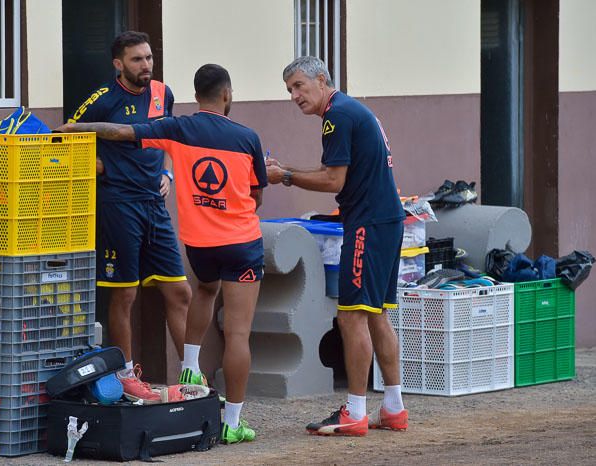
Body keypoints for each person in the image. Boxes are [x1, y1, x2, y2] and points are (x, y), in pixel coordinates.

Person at [57, 64, 267, 445]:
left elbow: (121, 132)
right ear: (228, 94)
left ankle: (188, 367)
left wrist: (76, 129)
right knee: (238, 334)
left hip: (200, 244)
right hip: (241, 242)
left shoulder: (178, 128)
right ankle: (232, 421)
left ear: (195, 94)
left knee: (203, 290)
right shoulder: (247, 137)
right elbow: (256, 195)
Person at [266, 56, 408, 436]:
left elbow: (334, 181)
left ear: (322, 80)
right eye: (289, 91)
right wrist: (288, 174)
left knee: (351, 315)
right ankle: (394, 409)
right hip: (387, 219)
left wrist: (286, 177)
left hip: (368, 224)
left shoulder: (336, 116)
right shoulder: (350, 110)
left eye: (299, 86)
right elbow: (339, 176)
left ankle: (356, 411)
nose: (295, 96)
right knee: (376, 313)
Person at [66, 31, 191, 403]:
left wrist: (167, 173)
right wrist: (95, 162)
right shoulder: (103, 99)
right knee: (125, 294)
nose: (146, 65)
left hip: (155, 203)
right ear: (119, 64)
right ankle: (124, 376)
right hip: (118, 205)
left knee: (180, 292)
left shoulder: (162, 93)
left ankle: (192, 374)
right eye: (137, 59)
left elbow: (170, 137)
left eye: (149, 58)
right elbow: (65, 136)